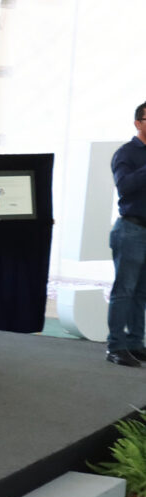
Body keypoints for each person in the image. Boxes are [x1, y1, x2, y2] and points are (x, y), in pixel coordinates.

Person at [106, 100, 146, 367]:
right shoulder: (126, 153)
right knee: (125, 289)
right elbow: (125, 186)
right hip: (131, 228)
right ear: (138, 123)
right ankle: (116, 347)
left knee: (141, 291)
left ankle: (135, 343)